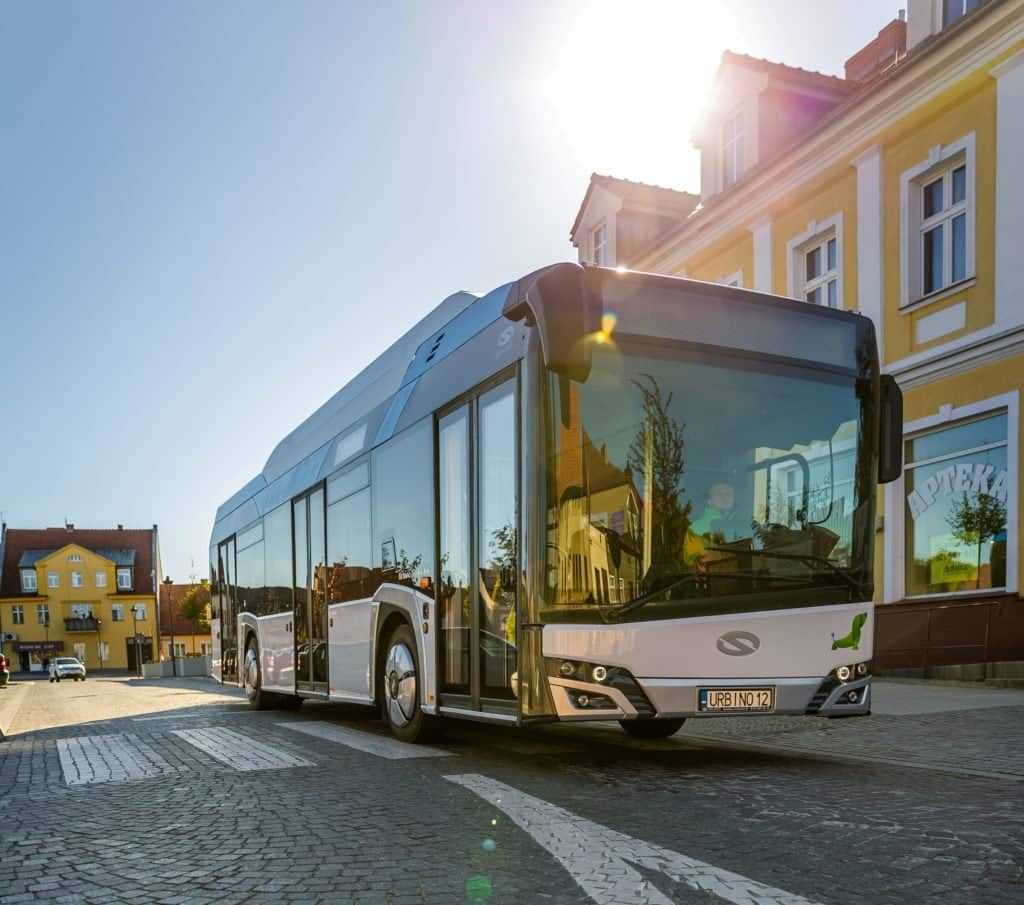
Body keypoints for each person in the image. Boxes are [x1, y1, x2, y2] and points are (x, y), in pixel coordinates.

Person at [683, 482, 736, 567]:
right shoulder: (696, 528)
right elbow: (690, 563)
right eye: (719, 494)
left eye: (728, 494)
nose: (724, 497)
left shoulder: (745, 523)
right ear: (709, 501)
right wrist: (699, 560)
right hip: (714, 578)